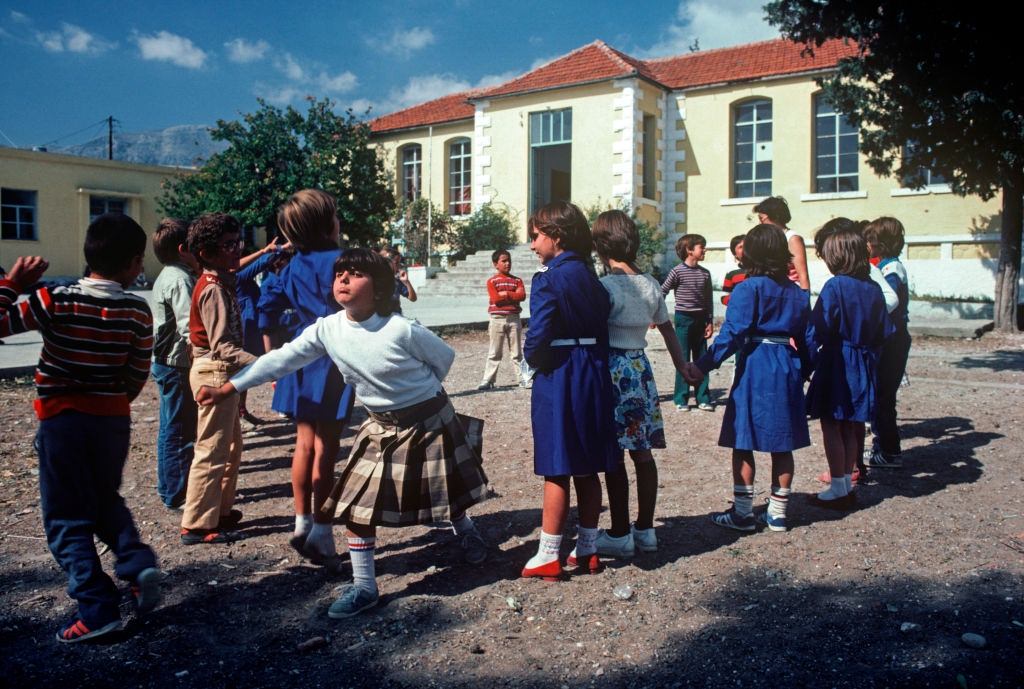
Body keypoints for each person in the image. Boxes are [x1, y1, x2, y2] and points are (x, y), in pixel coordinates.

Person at [196, 248, 489, 618]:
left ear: (380, 288)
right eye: (340, 274)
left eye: (356, 273)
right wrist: (229, 388)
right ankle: (365, 587)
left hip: (428, 420)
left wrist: (415, 396)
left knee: (444, 492)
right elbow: (280, 360)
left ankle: (466, 531)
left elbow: (443, 360)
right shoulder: (328, 329)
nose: (344, 280)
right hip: (380, 426)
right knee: (356, 506)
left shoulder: (401, 329)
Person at [0, 214, 162, 643]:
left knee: (67, 518)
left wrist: (12, 285)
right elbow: (136, 372)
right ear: (132, 263)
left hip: (62, 422)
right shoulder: (137, 310)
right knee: (104, 497)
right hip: (111, 420)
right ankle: (136, 561)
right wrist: (112, 403)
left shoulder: (54, 300)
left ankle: (96, 608)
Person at [682, 224, 811, 533]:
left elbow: (733, 334)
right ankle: (778, 513)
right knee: (783, 443)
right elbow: (808, 336)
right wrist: (804, 370)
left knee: (744, 438)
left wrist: (702, 366)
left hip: (756, 364)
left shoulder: (748, 288)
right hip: (787, 363)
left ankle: (742, 513)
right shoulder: (796, 293)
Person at [520, 202, 620, 580]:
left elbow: (538, 334)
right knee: (588, 463)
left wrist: (534, 361)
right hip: (592, 368)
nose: (532, 245)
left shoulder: (548, 278)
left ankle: (549, 552)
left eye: (536, 236)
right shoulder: (592, 278)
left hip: (560, 371)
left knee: (557, 464)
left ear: (555, 237)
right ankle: (588, 547)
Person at [257, 190, 355, 564]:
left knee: (303, 446)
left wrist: (273, 355)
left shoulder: (289, 267)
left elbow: (267, 307)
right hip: (333, 358)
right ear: (329, 223)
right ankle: (323, 533)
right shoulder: (343, 261)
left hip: (299, 356)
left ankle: (301, 522)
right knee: (327, 450)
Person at [588, 210, 691, 557]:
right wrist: (682, 366)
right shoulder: (649, 283)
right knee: (642, 451)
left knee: (614, 455)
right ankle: (645, 529)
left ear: (601, 245)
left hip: (611, 370)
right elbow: (667, 328)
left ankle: (619, 533)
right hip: (640, 369)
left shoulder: (604, 287)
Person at [806, 219, 892, 509]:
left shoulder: (835, 286)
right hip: (864, 360)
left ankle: (838, 486)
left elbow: (817, 327)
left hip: (837, 360)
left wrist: (806, 361)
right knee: (852, 424)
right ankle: (846, 484)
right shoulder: (873, 288)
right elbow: (884, 331)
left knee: (831, 424)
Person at [180, 212, 255, 545]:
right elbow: (223, 346)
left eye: (237, 242)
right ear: (206, 253)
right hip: (215, 371)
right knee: (211, 449)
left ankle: (220, 511)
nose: (236, 250)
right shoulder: (212, 288)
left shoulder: (222, 280)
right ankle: (196, 523)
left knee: (231, 446)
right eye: (227, 245)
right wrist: (268, 363)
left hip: (220, 370)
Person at [150, 218, 199, 510]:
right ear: (184, 249)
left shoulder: (172, 274)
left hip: (168, 362)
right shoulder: (180, 279)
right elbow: (188, 329)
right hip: (176, 364)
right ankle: (176, 493)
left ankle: (170, 487)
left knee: (172, 427)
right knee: (179, 431)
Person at [863, 217, 911, 469]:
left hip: (892, 340)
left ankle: (890, 451)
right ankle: (883, 445)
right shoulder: (885, 265)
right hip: (887, 339)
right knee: (878, 395)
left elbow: (888, 301)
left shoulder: (891, 268)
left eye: (870, 240)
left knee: (883, 397)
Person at [234, 236, 289, 427]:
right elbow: (258, 265)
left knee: (245, 369)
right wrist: (275, 249)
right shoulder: (235, 274)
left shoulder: (236, 271)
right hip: (245, 324)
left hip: (249, 322)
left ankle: (241, 410)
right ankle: (238, 413)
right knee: (242, 369)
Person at [661, 234, 714, 411]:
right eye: (701, 247)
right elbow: (662, 291)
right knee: (682, 358)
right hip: (683, 319)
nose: (705, 250)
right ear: (689, 250)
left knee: (702, 358)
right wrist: (655, 315)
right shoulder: (677, 271)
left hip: (701, 319)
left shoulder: (705, 273)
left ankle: (703, 398)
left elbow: (708, 300)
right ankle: (681, 399)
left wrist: (710, 321)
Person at [477, 248, 528, 390]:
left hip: (514, 319)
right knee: (494, 352)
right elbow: (496, 299)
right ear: (495, 264)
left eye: (509, 260)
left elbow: (522, 296)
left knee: (517, 352)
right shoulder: (492, 281)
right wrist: (511, 295)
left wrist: (505, 293)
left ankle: (523, 378)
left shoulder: (517, 280)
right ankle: (488, 380)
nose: (507, 264)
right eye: (503, 261)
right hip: (497, 319)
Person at [754, 196, 809, 291]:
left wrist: (805, 300)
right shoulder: (768, 239)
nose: (760, 223)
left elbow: (803, 276)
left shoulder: (792, 239)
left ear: (775, 216)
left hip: (791, 293)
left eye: (762, 218)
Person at [383, 248, 417, 315]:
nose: (399, 266)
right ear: (387, 263)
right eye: (397, 263)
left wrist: (407, 282)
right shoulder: (375, 280)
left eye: (399, 263)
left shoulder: (397, 281)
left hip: (396, 317)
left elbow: (413, 298)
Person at [721, 234, 748, 307]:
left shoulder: (759, 269)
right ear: (735, 254)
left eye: (747, 245)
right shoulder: (731, 272)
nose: (745, 249)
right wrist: (737, 301)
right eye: (740, 247)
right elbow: (724, 297)